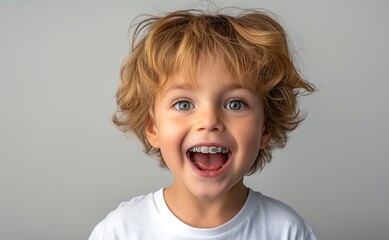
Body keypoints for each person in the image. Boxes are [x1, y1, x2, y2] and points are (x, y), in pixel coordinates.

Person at [89, 8, 316, 240]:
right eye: (184, 104)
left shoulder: (287, 231)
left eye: (235, 104)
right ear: (152, 127)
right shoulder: (121, 231)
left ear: (264, 129)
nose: (209, 121)